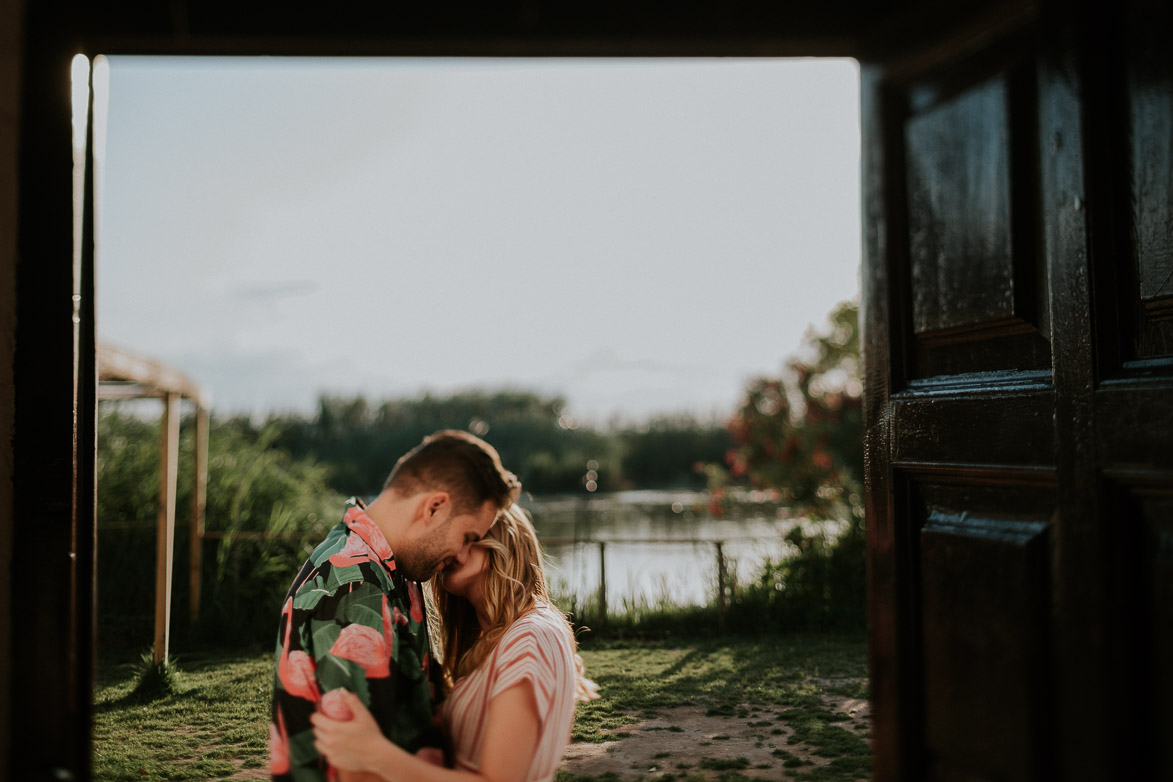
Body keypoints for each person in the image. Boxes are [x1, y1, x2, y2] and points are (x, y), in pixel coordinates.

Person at [270, 430, 521, 781]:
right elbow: (357, 768)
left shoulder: (392, 568)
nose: (462, 555)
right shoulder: (355, 588)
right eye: (467, 538)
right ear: (435, 507)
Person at [309, 503, 598, 782]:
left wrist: (376, 753)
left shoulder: (531, 636)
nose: (449, 547)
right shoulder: (496, 638)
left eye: (468, 537)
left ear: (505, 543)